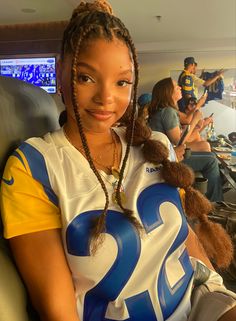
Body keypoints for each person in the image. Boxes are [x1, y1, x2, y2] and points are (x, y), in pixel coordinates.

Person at [0, 1, 235, 321]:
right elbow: (59, 312)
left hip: (197, 303)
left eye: (121, 82)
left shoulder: (157, 146)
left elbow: (186, 239)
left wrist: (218, 291)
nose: (106, 98)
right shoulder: (34, 169)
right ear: (60, 72)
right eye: (86, 78)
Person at [148, 77, 224, 202]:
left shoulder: (167, 111)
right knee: (211, 161)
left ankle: (213, 193)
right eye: (176, 86)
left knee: (210, 154)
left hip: (168, 155)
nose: (180, 87)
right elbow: (179, 141)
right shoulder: (167, 112)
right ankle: (216, 202)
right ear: (168, 92)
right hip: (168, 161)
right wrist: (195, 121)